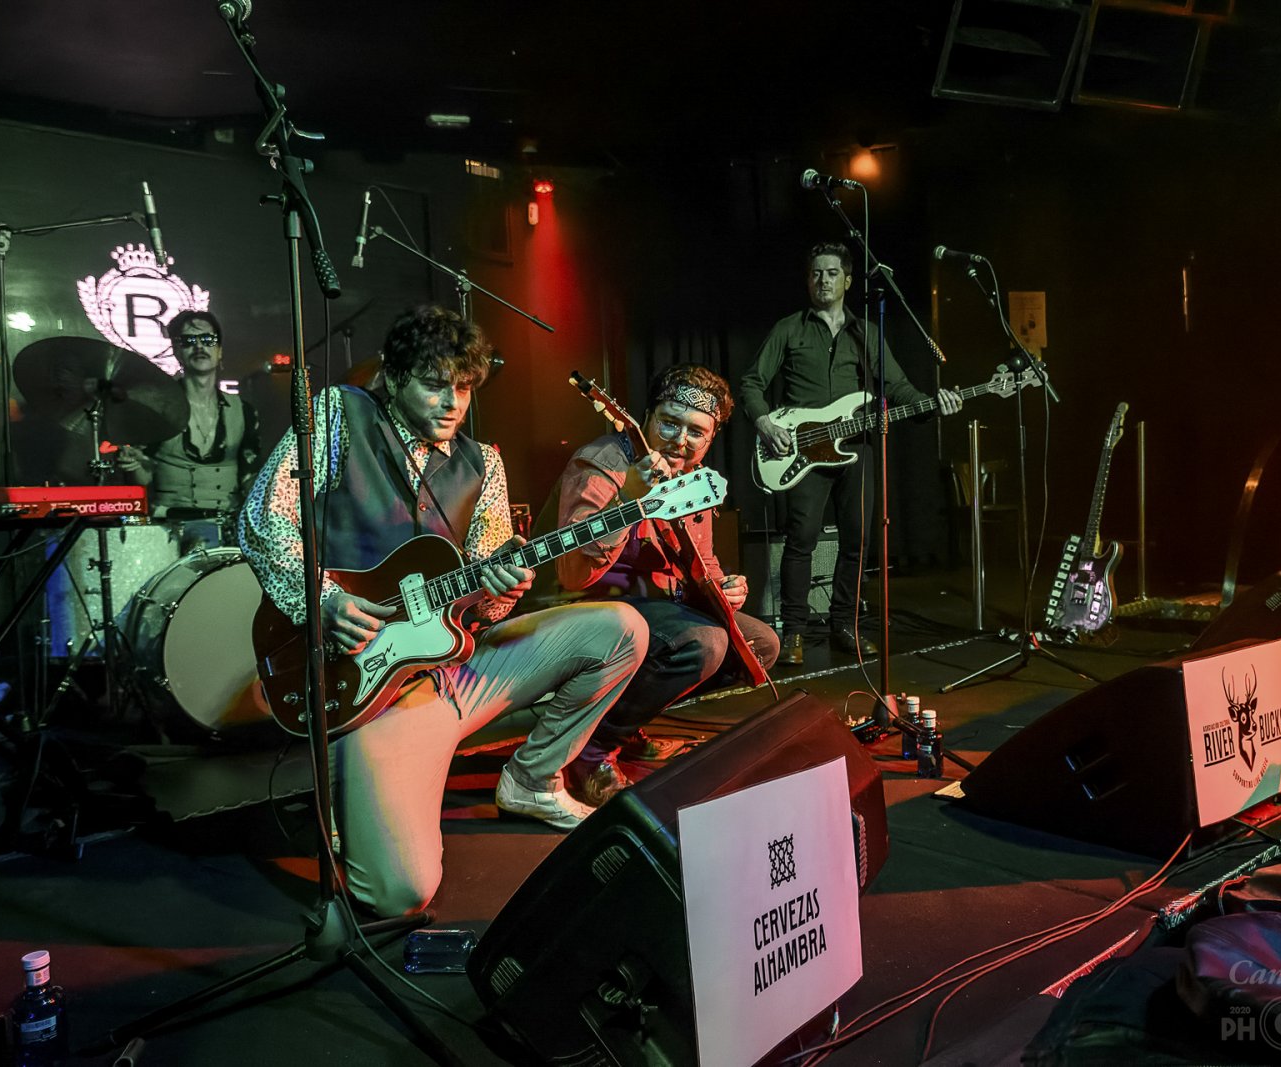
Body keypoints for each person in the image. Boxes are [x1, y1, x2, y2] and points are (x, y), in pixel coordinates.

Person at [237, 304, 647, 917]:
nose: (452, 403)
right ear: (394, 376)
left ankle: (531, 780)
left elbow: (484, 606)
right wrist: (325, 600)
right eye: (434, 385)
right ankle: (361, 785)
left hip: (453, 665)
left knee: (620, 629)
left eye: (463, 388)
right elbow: (263, 520)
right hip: (368, 683)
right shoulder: (340, 416)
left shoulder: (483, 463)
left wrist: (501, 585)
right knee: (401, 892)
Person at [528, 364, 781, 807]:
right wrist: (629, 499)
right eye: (669, 423)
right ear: (647, 416)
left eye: (696, 432)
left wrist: (725, 587)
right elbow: (573, 575)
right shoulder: (603, 464)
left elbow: (701, 560)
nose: (680, 440)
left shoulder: (691, 476)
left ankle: (624, 725)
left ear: (711, 439)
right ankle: (589, 750)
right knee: (702, 643)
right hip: (582, 610)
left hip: (651, 610)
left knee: (758, 645)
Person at [740, 241, 963, 664]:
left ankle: (845, 624)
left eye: (831, 273)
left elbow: (898, 388)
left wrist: (933, 404)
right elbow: (752, 382)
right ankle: (794, 631)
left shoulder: (867, 333)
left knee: (857, 540)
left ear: (847, 280)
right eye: (815, 274)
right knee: (801, 539)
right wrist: (766, 424)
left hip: (855, 448)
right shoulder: (789, 328)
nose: (822, 281)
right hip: (803, 449)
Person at [116, 311, 261, 547]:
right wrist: (133, 465)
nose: (199, 347)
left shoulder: (243, 411)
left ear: (220, 350)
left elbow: (250, 476)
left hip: (227, 530)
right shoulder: (157, 408)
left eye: (208, 339)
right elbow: (142, 478)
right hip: (168, 531)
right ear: (176, 351)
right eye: (189, 341)